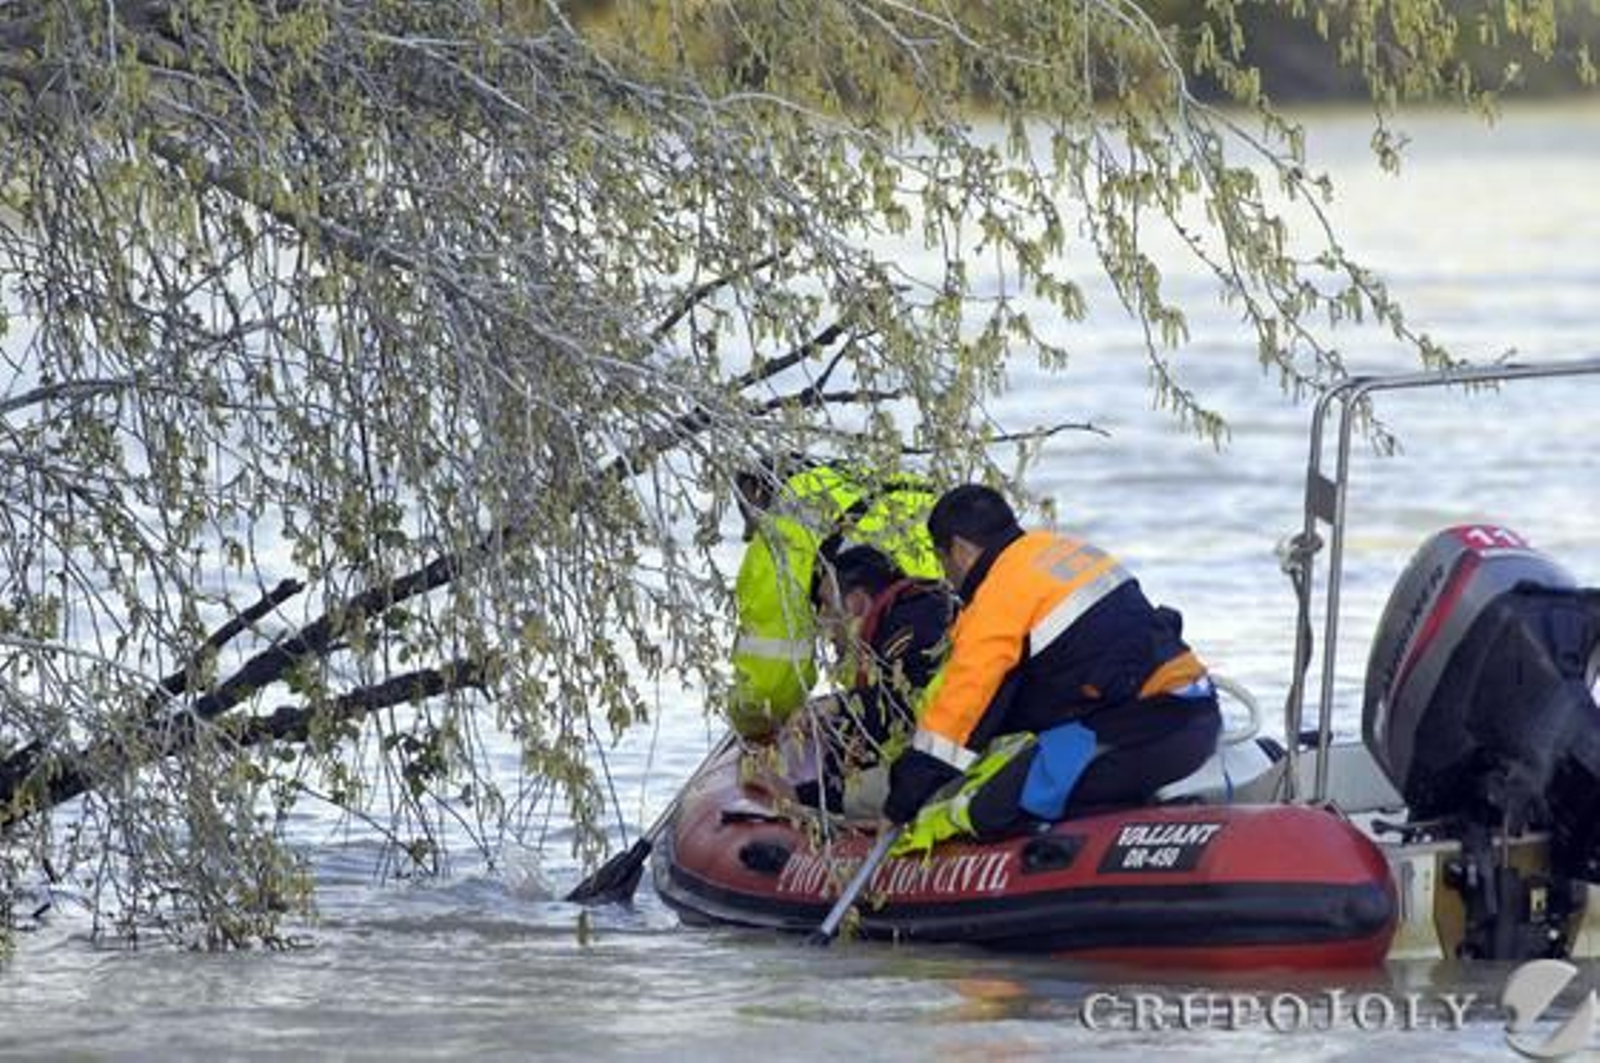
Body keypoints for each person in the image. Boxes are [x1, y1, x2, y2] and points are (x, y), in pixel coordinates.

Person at [884, 484, 1221, 846]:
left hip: (1145, 731)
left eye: (943, 561)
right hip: (1195, 718)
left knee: (988, 811)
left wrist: (901, 804)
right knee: (1049, 766)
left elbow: (959, 712)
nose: (948, 577)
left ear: (961, 551)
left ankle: (1092, 852)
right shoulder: (1066, 552)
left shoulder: (1000, 594)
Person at [728, 459, 941, 740]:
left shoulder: (783, 527)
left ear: (755, 496)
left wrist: (754, 728)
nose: (751, 535)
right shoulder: (873, 482)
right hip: (956, 644)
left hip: (892, 658)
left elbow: (771, 676)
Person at [792, 544, 957, 816]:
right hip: (952, 757)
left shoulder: (912, 630)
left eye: (828, 605)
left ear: (856, 602)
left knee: (819, 797)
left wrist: (838, 707)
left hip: (948, 768)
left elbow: (896, 711)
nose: (824, 623)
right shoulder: (923, 610)